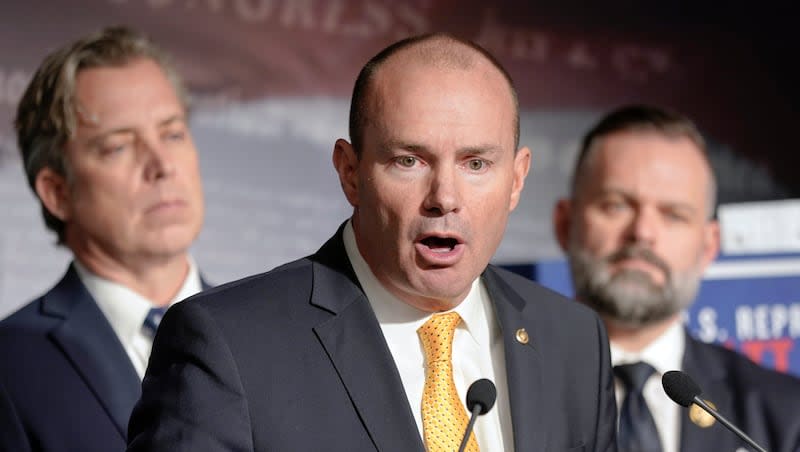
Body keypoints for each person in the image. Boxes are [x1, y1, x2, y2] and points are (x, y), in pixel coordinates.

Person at [127, 33, 617, 451]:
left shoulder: (573, 341)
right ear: (350, 172)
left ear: (516, 179)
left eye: (476, 164)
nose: (445, 197)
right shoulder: (228, 344)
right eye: (410, 160)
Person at [0, 26, 208, 452]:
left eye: (172, 134)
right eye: (118, 147)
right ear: (58, 193)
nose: (161, 165)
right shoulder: (9, 365)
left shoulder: (272, 337)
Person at [554, 104, 800, 452]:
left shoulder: (785, 415)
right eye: (616, 205)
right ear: (565, 224)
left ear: (709, 246)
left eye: (673, 215)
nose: (643, 233)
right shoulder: (500, 391)